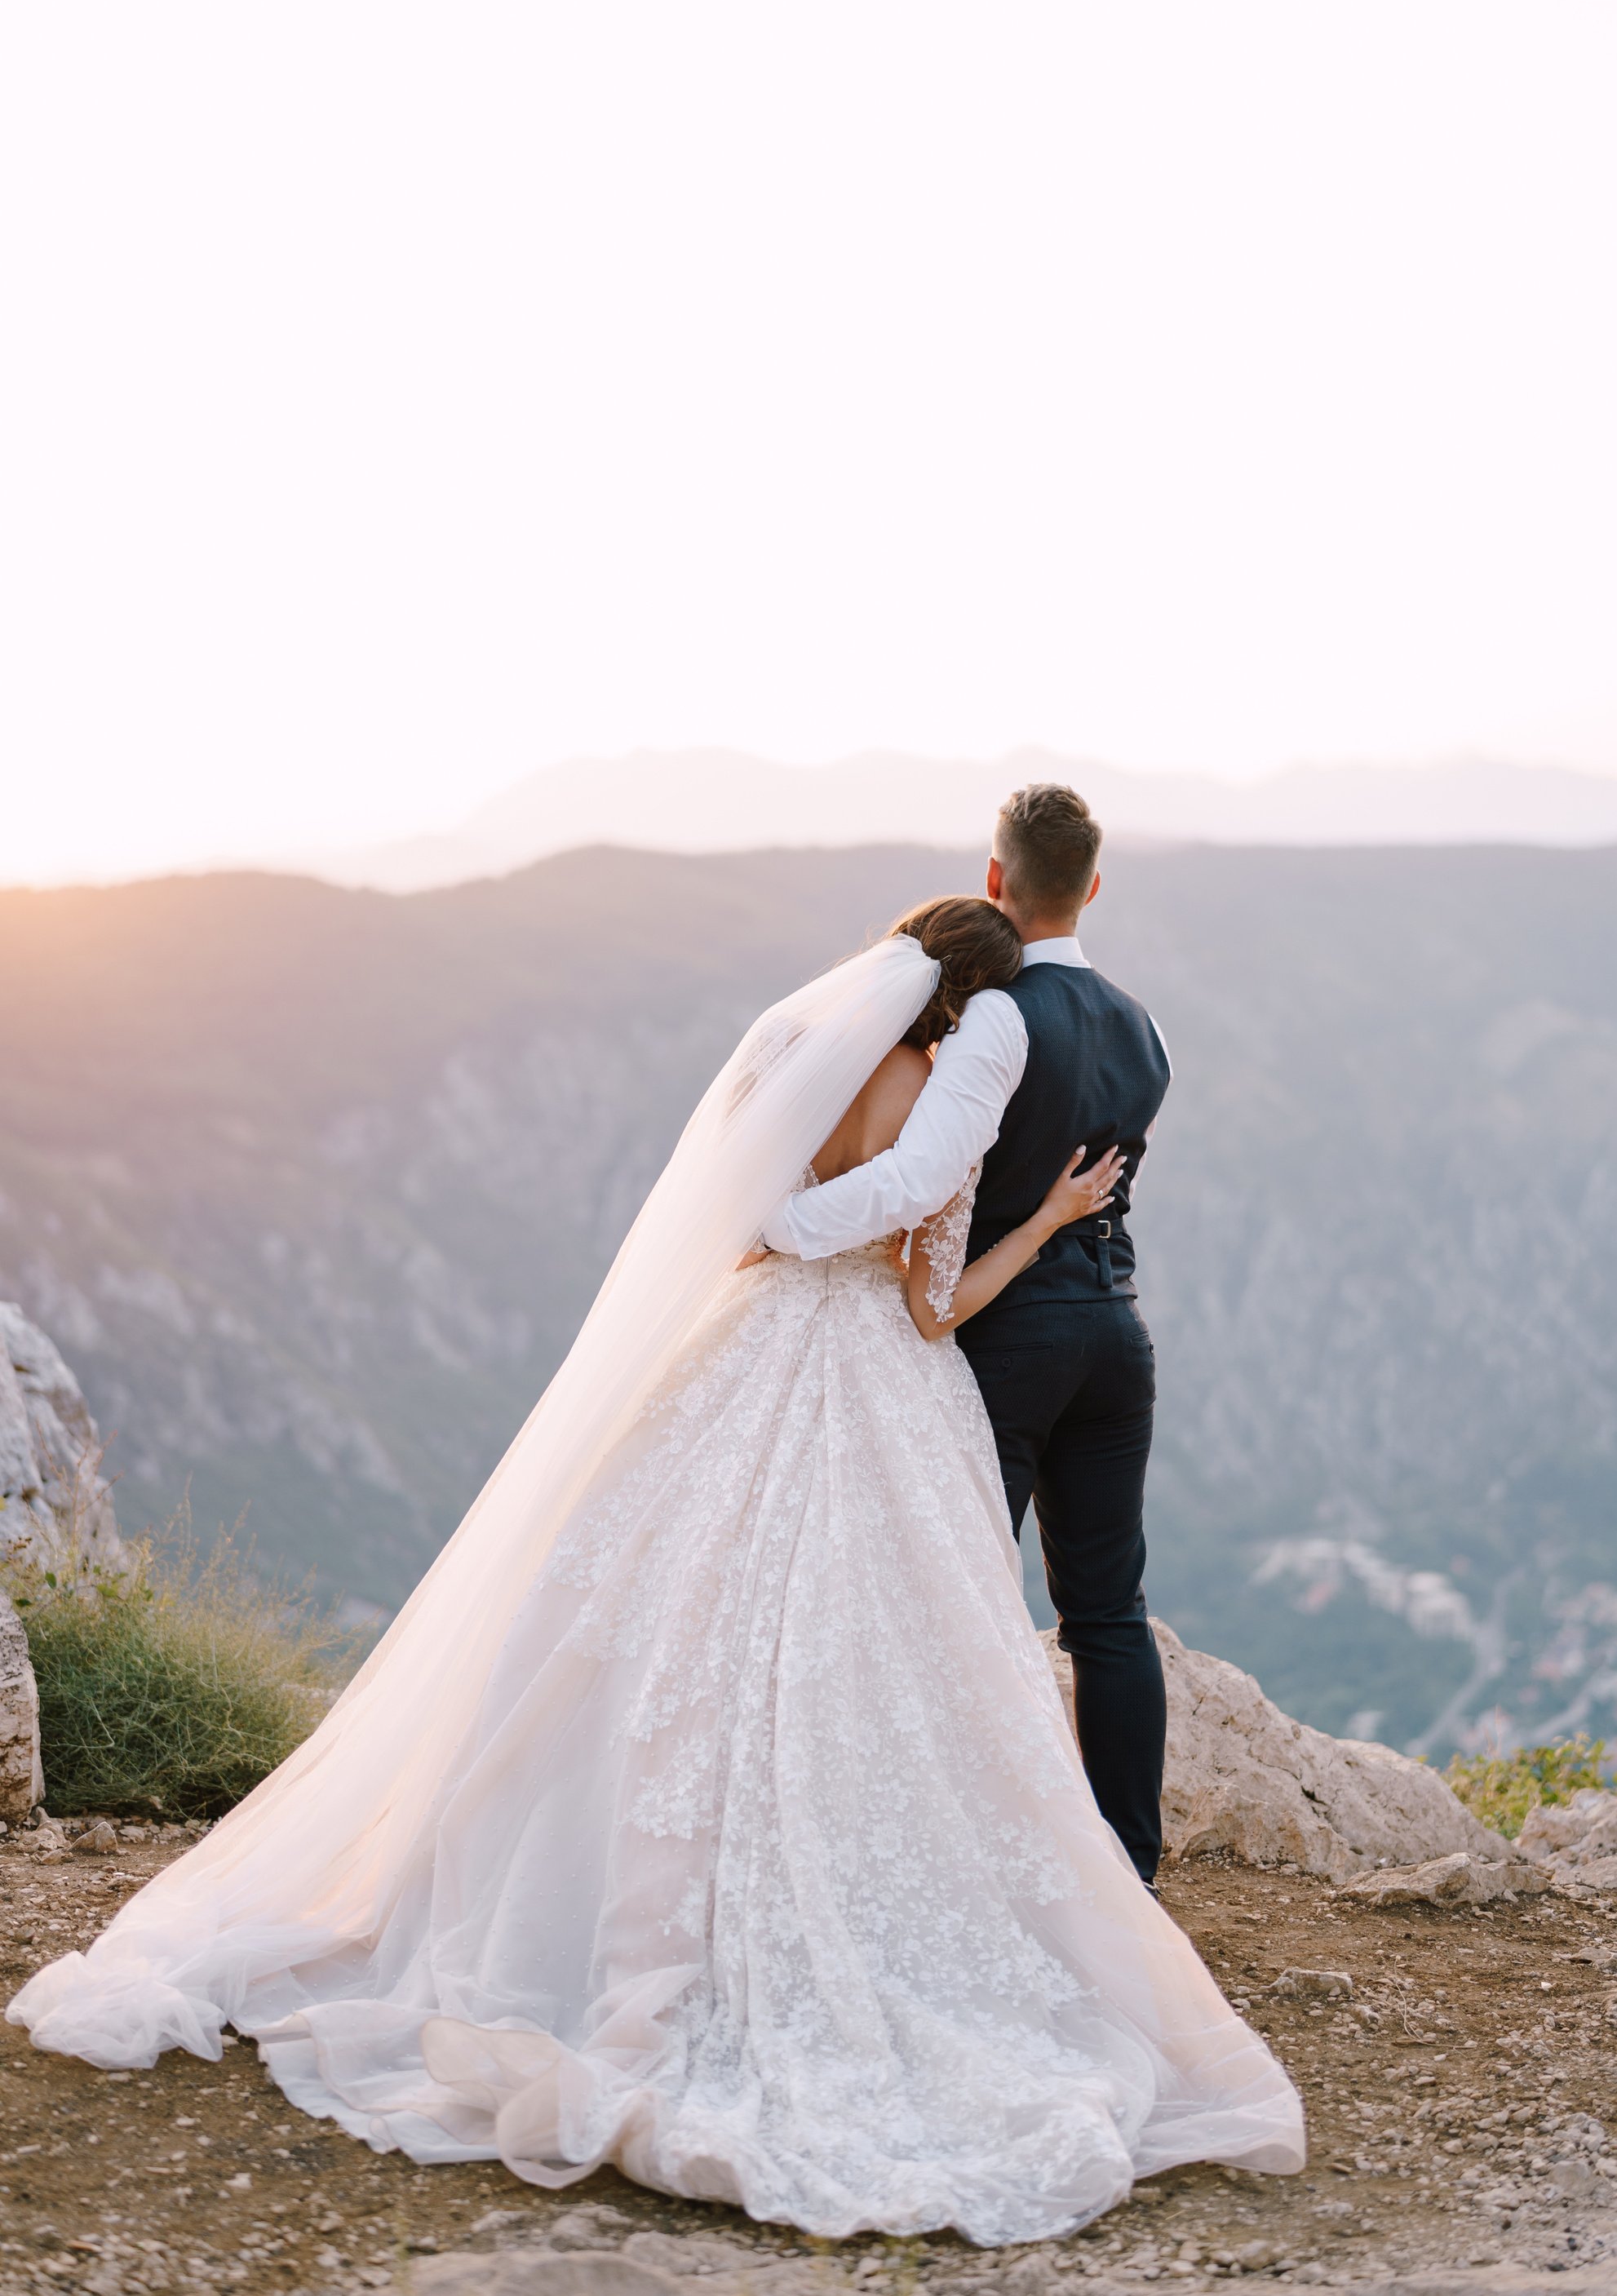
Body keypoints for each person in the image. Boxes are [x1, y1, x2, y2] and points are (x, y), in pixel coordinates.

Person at [11, 897, 1302, 2246]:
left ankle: (581, 1914)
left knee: (654, 1629)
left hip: (733, 1358)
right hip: (874, 1385)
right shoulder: (939, 1107)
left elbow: (743, 1222)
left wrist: (801, 1234)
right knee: (871, 1663)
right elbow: (932, 1304)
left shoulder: (794, 1067)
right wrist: (1043, 1224)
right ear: (970, 1013)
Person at [764, 785, 1172, 1886]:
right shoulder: (1146, 1024)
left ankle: (937, 1854)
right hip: (1114, 1337)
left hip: (1008, 1340)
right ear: (1092, 886)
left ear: (994, 878)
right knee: (1107, 1610)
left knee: (946, 1602)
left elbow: (921, 1176)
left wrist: (780, 1223)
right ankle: (1129, 1868)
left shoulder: (996, 1017)